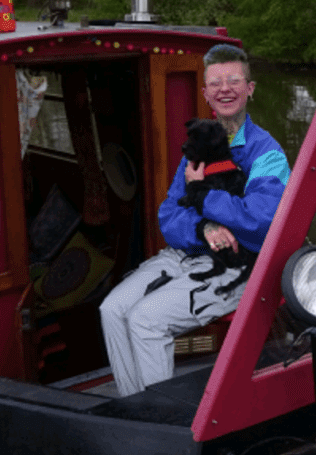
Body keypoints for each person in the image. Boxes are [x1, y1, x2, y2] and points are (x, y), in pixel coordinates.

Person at [100, 44, 290, 397]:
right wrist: (204, 228)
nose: (225, 89)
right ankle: (136, 408)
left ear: (250, 89)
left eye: (234, 80)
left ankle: (165, 426)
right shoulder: (199, 146)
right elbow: (169, 214)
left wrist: (204, 196)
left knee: (146, 321)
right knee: (111, 309)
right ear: (205, 94)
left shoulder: (267, 154)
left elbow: (261, 223)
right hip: (190, 251)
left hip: (239, 263)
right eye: (216, 83)